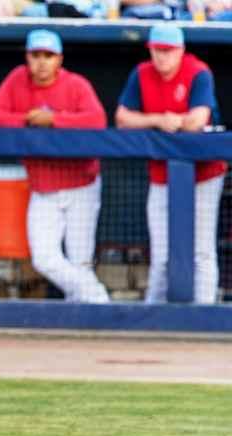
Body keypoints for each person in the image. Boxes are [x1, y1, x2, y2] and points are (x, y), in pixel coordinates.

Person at [0, 30, 110, 303]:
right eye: (36, 55)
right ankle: (97, 297)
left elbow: (97, 120)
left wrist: (54, 119)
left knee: (80, 260)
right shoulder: (17, 80)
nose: (41, 62)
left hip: (81, 184)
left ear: (60, 59)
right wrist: (29, 120)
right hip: (42, 186)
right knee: (44, 258)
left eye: (48, 56)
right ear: (27, 57)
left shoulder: (75, 84)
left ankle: (83, 319)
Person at [115, 24, 227, 304]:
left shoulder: (198, 72)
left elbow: (197, 121)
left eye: (167, 51)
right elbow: (122, 118)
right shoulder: (141, 73)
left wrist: (178, 122)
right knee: (162, 252)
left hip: (205, 173)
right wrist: (159, 119)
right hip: (161, 173)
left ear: (180, 51)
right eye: (157, 50)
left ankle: (203, 313)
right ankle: (155, 314)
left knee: (201, 250)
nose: (161, 57)